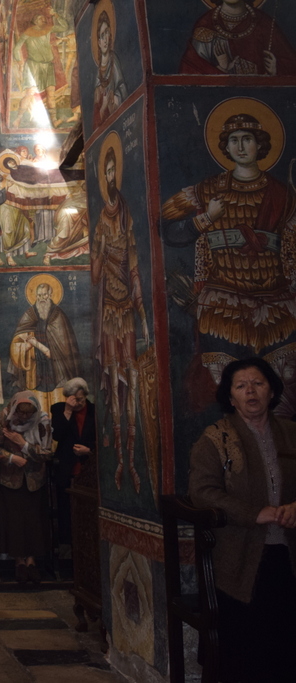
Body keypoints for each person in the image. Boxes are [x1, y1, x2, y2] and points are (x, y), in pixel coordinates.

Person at [189, 357, 296, 682]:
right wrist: (253, 513)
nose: (251, 391)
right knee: (247, 651)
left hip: (289, 552)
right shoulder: (216, 438)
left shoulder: (291, 433)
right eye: (241, 386)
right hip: (240, 557)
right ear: (231, 397)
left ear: (271, 391)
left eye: (258, 384)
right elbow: (202, 491)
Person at [161, 113, 296, 352]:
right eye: (234, 140)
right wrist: (207, 218)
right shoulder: (207, 190)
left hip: (276, 303)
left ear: (260, 144)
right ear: (226, 146)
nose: (240, 147)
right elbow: (167, 229)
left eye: (247, 139)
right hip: (223, 303)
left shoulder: (282, 195)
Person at [94, 145, 148, 493]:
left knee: (132, 374)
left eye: (114, 171)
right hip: (109, 310)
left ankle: (133, 457)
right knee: (114, 379)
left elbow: (135, 266)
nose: (111, 176)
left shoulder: (128, 216)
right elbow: (95, 273)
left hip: (127, 308)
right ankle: (120, 462)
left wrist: (143, 315)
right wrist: (99, 256)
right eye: (107, 172)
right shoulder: (101, 219)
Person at [0, 392, 53, 584]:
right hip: (10, 479)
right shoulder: (4, 418)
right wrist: (11, 458)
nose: (24, 417)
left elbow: (47, 453)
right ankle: (19, 562)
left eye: (28, 414)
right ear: (14, 409)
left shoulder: (42, 420)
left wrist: (23, 445)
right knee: (14, 522)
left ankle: (32, 561)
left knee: (34, 521)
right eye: (20, 413)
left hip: (34, 480)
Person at [7, 281, 81, 414]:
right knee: (37, 406)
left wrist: (40, 346)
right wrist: (26, 346)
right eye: (39, 295)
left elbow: (63, 348)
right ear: (35, 296)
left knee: (57, 404)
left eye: (45, 295)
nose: (42, 298)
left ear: (50, 295)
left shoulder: (58, 315)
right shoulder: (29, 314)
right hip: (35, 368)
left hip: (56, 368)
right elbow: (17, 341)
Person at [180, 0, 296, 76]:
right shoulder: (205, 25)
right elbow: (190, 73)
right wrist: (222, 69)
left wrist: (275, 69)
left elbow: (291, 68)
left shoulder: (265, 25)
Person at [49, 378, 95, 550]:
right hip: (66, 467)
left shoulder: (94, 411)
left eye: (80, 399)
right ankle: (68, 546)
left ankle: (88, 545)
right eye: (73, 399)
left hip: (88, 467)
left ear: (85, 396)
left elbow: (103, 437)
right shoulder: (59, 409)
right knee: (66, 509)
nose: (77, 403)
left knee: (87, 511)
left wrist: (89, 450)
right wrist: (68, 411)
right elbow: (57, 435)